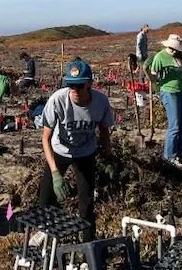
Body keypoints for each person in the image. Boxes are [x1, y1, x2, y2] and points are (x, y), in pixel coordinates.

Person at [37, 59, 113, 242]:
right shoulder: (57, 100)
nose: (74, 91)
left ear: (89, 84)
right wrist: (55, 174)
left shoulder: (101, 102)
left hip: (86, 154)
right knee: (45, 198)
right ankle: (46, 234)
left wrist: (109, 159)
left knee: (86, 204)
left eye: (79, 86)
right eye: (70, 86)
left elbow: (104, 131)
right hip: (60, 150)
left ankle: (88, 245)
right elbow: (45, 138)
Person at [149, 34, 182, 168]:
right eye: (173, 48)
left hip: (180, 92)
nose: (175, 50)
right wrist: (158, 89)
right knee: (175, 125)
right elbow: (153, 76)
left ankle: (178, 153)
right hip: (169, 92)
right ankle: (169, 157)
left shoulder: (178, 58)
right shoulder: (159, 57)